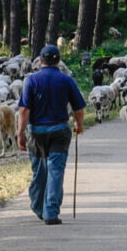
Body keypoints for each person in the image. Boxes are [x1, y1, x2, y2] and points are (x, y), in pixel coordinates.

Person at [17, 45, 86, 225]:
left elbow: (24, 110)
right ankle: (51, 212)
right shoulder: (66, 80)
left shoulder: (31, 80)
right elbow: (78, 108)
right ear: (58, 60)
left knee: (40, 171)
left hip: (37, 132)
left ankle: (38, 206)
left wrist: (20, 133)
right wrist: (79, 125)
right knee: (56, 171)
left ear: (40, 60)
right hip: (59, 131)